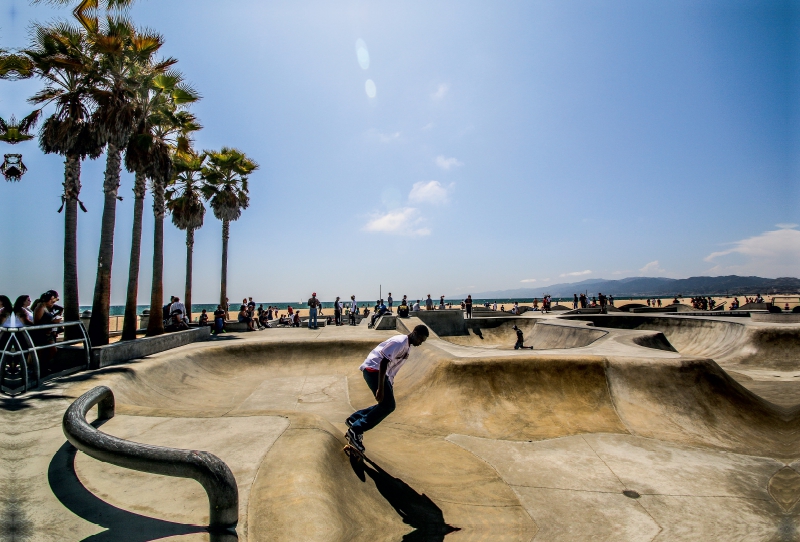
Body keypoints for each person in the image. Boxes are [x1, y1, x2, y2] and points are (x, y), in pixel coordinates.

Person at [345, 325, 430, 453]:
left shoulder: (407, 347)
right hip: (374, 370)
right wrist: (380, 387)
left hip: (382, 374)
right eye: (420, 340)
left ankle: (354, 419)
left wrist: (389, 384)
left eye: (422, 342)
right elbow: (384, 361)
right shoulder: (400, 342)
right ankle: (356, 430)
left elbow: (391, 368)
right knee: (388, 405)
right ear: (415, 333)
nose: (420, 343)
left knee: (387, 404)